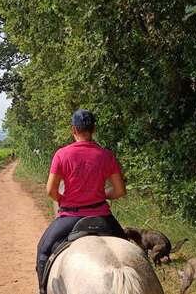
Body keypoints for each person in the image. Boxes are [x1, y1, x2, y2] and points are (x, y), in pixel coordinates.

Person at [36, 109, 127, 294]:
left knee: (43, 250)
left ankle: (42, 290)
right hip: (103, 216)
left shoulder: (61, 154)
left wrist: (63, 200)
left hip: (70, 216)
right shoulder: (106, 155)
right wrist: (104, 195)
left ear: (73, 129)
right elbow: (120, 191)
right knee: (130, 250)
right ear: (93, 129)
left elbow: (50, 191)